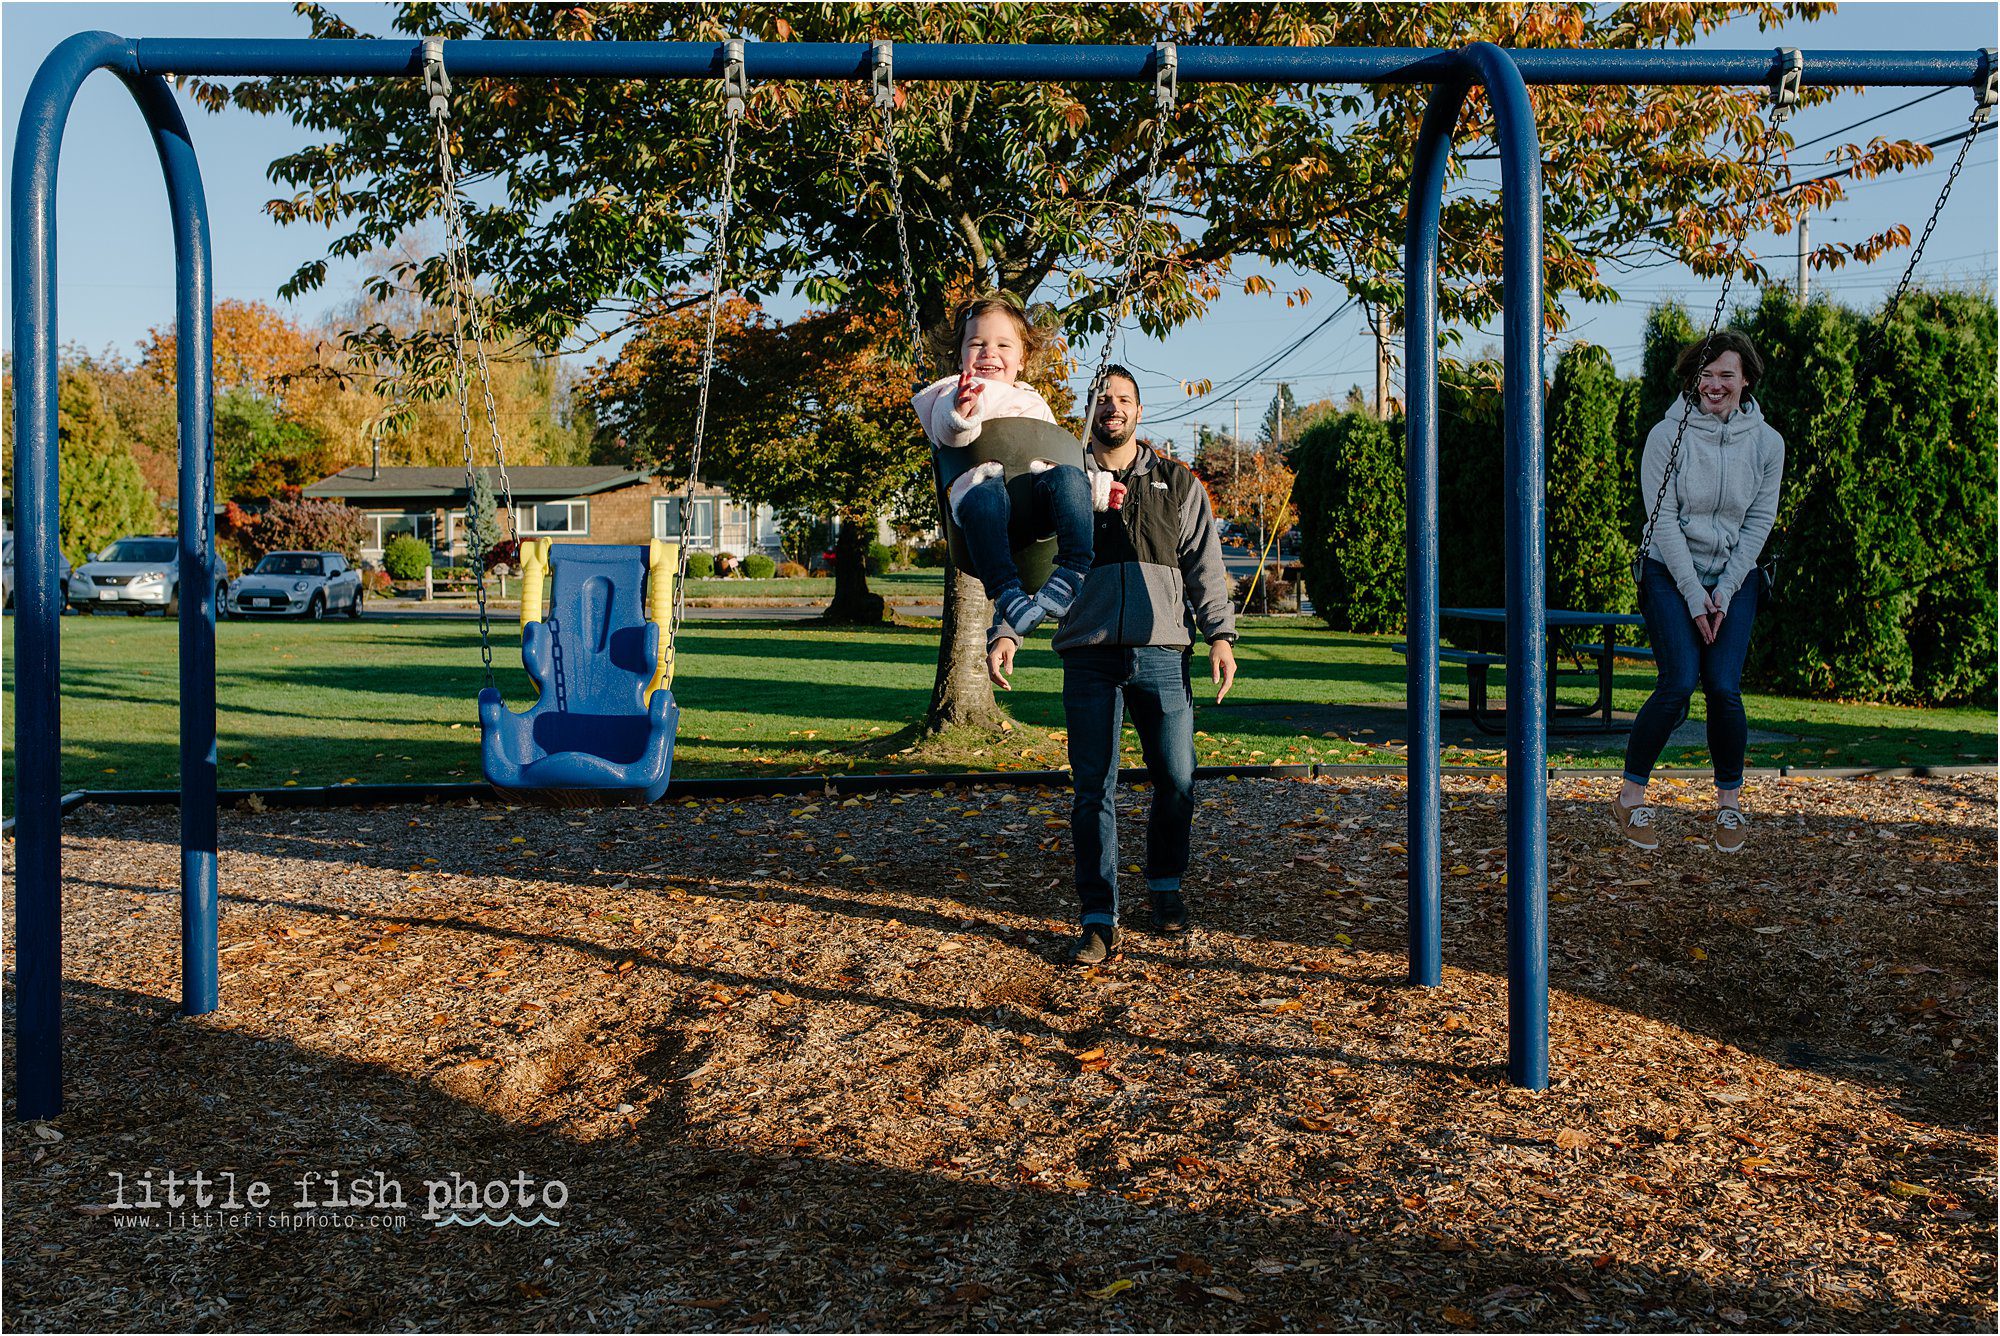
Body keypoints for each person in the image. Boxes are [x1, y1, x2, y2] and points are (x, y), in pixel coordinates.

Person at [987, 366, 1238, 964]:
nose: (1113, 409)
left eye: (1124, 400)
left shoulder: (1179, 483)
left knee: (1177, 779)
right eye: (1103, 399)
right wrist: (1006, 631)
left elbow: (1205, 567)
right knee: (1092, 788)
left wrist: (1220, 637)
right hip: (1089, 655)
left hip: (1163, 650)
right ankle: (1098, 917)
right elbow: (1028, 567)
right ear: (1090, 411)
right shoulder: (1060, 484)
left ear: (1139, 412)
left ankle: (1165, 887)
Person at [1613, 330, 1785, 855]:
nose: (1713, 385)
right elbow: (1660, 520)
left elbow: (1759, 524)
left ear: (1746, 379)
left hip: (1736, 574)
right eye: (1705, 375)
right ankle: (1629, 797)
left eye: (1725, 375)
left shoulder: (1767, 444)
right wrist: (1694, 594)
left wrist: (1726, 591)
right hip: (1669, 570)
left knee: (1724, 688)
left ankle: (1729, 808)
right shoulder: (1667, 436)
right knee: (1680, 681)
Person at [912, 293, 1123, 638]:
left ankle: (1072, 569)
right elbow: (947, 432)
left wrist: (1097, 490)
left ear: (1022, 358)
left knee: (1070, 476)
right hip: (983, 502)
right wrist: (962, 412)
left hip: (1035, 503)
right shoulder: (952, 391)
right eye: (977, 343)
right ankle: (1007, 593)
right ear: (960, 354)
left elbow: (1058, 462)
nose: (989, 353)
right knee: (985, 498)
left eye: (1003, 345)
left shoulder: (1032, 401)